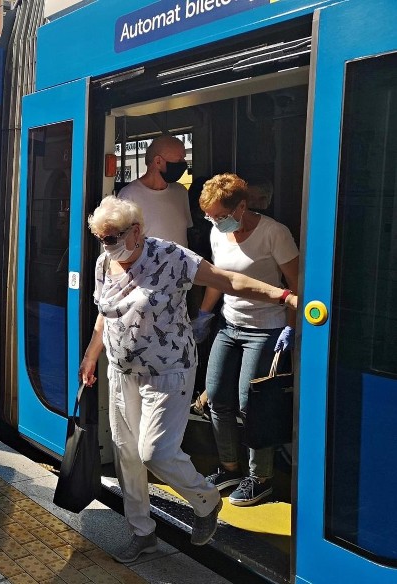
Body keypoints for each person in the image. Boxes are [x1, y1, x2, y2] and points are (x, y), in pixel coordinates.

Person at [78, 196, 298, 562]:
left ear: (135, 231)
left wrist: (283, 295)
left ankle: (206, 501)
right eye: (100, 238)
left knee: (155, 452)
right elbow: (106, 313)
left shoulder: (171, 256)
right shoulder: (105, 262)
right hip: (121, 371)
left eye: (112, 237)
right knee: (127, 455)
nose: (106, 244)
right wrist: (91, 354)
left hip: (169, 370)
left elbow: (226, 279)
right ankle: (142, 533)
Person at [194, 173, 299, 506]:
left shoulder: (274, 233)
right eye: (209, 215)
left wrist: (292, 328)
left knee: (251, 404)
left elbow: (297, 284)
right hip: (230, 324)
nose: (214, 221)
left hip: (267, 328)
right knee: (217, 398)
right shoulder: (217, 232)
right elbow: (218, 278)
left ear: (241, 207)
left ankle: (261, 477)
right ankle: (230, 468)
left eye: (219, 215)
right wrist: (204, 315)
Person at [117, 135, 192, 246]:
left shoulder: (181, 192)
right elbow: (122, 243)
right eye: (179, 159)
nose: (183, 163)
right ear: (158, 162)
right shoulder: (129, 195)